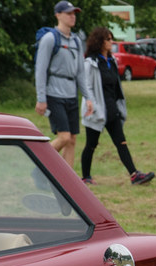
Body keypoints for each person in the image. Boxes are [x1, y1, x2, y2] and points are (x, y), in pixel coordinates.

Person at [80, 27, 154, 186]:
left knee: (121, 142)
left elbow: (116, 86)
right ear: (99, 42)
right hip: (96, 110)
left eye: (111, 38)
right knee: (91, 145)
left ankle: (134, 175)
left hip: (112, 109)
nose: (111, 42)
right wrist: (90, 102)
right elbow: (87, 86)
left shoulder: (111, 61)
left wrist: (120, 106)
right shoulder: (90, 63)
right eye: (107, 39)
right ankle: (85, 177)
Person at [34, 1, 95, 168]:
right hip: (54, 94)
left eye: (74, 13)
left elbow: (81, 73)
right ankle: (39, 164)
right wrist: (41, 98)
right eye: (68, 13)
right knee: (64, 137)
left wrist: (88, 97)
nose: (72, 16)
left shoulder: (76, 41)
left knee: (72, 140)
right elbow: (40, 69)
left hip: (71, 94)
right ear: (58, 15)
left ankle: (69, 182)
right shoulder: (49, 39)